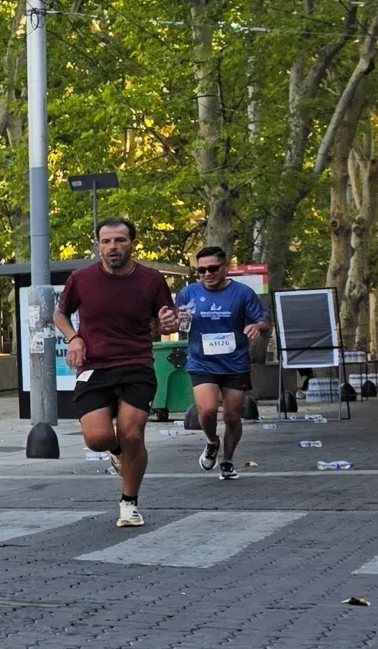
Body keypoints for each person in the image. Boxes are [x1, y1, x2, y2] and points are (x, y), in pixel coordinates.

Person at [54, 219, 179, 526]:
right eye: (106, 241)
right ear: (98, 245)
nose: (113, 247)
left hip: (136, 364)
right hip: (94, 366)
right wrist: (74, 338)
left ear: (132, 243)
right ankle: (117, 450)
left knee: (132, 434)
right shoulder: (81, 278)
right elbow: (60, 314)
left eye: (120, 240)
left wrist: (169, 323)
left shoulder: (151, 280)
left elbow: (167, 321)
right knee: (97, 439)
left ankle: (129, 503)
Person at [174, 245, 266, 481]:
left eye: (213, 268)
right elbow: (174, 323)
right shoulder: (188, 293)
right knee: (207, 410)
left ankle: (227, 460)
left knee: (232, 416)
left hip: (235, 363)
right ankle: (212, 441)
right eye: (201, 270)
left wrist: (256, 326)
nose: (207, 274)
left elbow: (263, 320)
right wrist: (177, 320)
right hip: (201, 362)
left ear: (226, 267)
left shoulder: (243, 293)